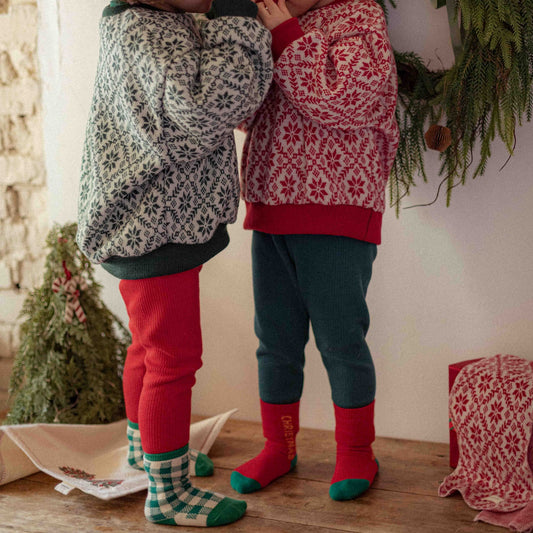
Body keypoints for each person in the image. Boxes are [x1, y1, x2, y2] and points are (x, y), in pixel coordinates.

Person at [76, 0, 273, 526]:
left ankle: (146, 453)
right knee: (173, 358)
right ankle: (169, 494)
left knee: (148, 346)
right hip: (153, 226)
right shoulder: (149, 33)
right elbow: (207, 107)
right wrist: (236, 19)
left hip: (147, 220)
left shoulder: (141, 21)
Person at [231, 0, 399, 501]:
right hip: (272, 207)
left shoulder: (359, 18)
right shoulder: (270, 26)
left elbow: (341, 99)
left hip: (337, 209)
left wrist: (285, 34)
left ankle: (356, 451)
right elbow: (245, 113)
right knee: (275, 339)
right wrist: (250, 42)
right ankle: (278, 446)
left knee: (341, 339)